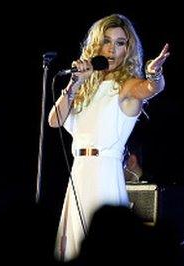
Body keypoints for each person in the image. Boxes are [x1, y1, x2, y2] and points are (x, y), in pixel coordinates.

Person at [47, 13, 170, 262]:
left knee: (104, 247)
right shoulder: (85, 86)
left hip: (104, 174)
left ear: (128, 49)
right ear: (96, 45)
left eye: (120, 43)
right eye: (106, 41)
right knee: (72, 248)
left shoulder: (127, 86)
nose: (112, 49)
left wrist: (154, 74)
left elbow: (150, 88)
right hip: (79, 174)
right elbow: (54, 121)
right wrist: (74, 84)